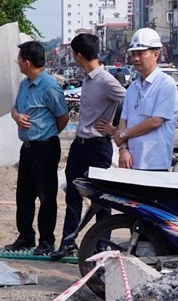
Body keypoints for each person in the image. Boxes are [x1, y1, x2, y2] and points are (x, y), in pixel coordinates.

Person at [50, 33, 125, 260]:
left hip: (98, 147)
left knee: (101, 200)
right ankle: (68, 242)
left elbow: (131, 100)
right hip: (80, 146)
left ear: (79, 55)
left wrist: (115, 129)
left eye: (73, 54)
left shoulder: (106, 80)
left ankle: (101, 246)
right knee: (72, 195)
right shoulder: (88, 78)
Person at [5, 41, 70, 255]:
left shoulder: (49, 86)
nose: (18, 63)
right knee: (24, 195)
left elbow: (63, 116)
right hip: (28, 147)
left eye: (19, 59)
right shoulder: (25, 84)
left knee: (46, 196)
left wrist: (47, 134)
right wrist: (16, 116)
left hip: (45, 148)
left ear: (28, 62)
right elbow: (15, 107)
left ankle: (46, 240)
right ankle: (25, 237)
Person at [96, 28, 178, 171]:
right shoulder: (132, 88)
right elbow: (124, 120)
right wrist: (122, 149)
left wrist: (123, 134)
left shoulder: (166, 84)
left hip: (154, 163)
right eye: (133, 54)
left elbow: (155, 121)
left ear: (156, 55)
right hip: (131, 162)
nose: (136, 59)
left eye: (141, 54)